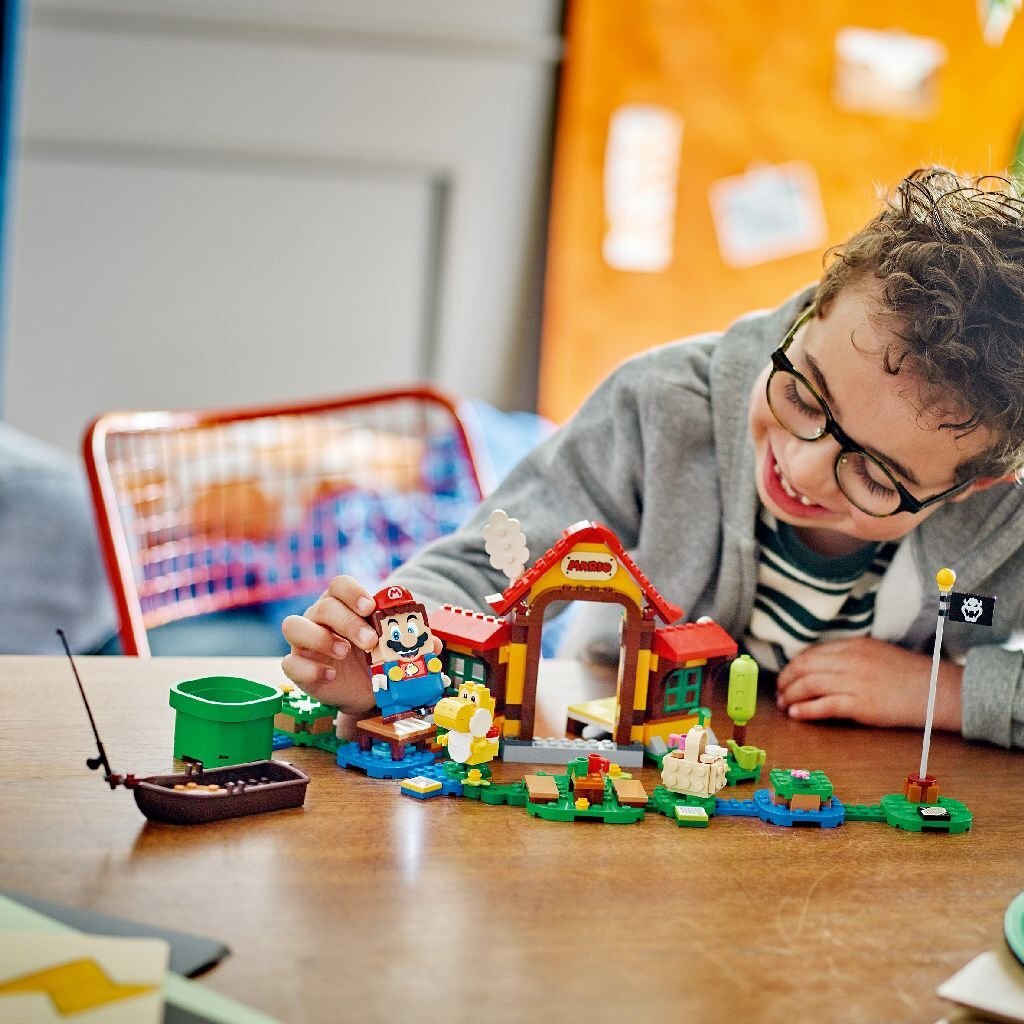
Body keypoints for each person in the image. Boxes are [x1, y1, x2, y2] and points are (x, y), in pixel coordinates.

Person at [282, 167, 1024, 750]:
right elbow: (486, 567)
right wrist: (390, 658)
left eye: (874, 475)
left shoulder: (1011, 515)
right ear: (810, 311)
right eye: (803, 394)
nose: (800, 471)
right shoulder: (662, 403)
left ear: (977, 484)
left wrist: (948, 695)